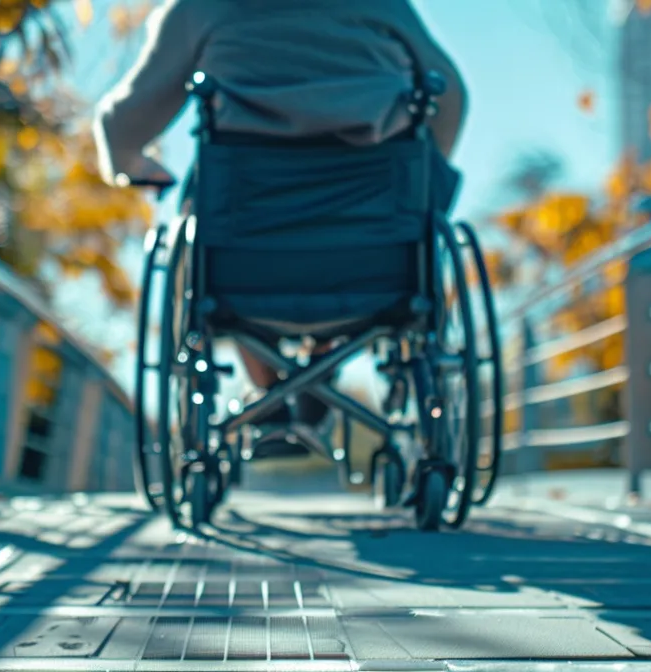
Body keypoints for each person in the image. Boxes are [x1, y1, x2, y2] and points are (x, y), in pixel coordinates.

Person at [94, 0, 468, 435]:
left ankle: (267, 396)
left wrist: (131, 167)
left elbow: (122, 123)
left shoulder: (201, 9)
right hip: (373, 259)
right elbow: (451, 96)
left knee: (215, 222)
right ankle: (320, 361)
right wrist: (426, 185)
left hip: (247, 263)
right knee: (339, 235)